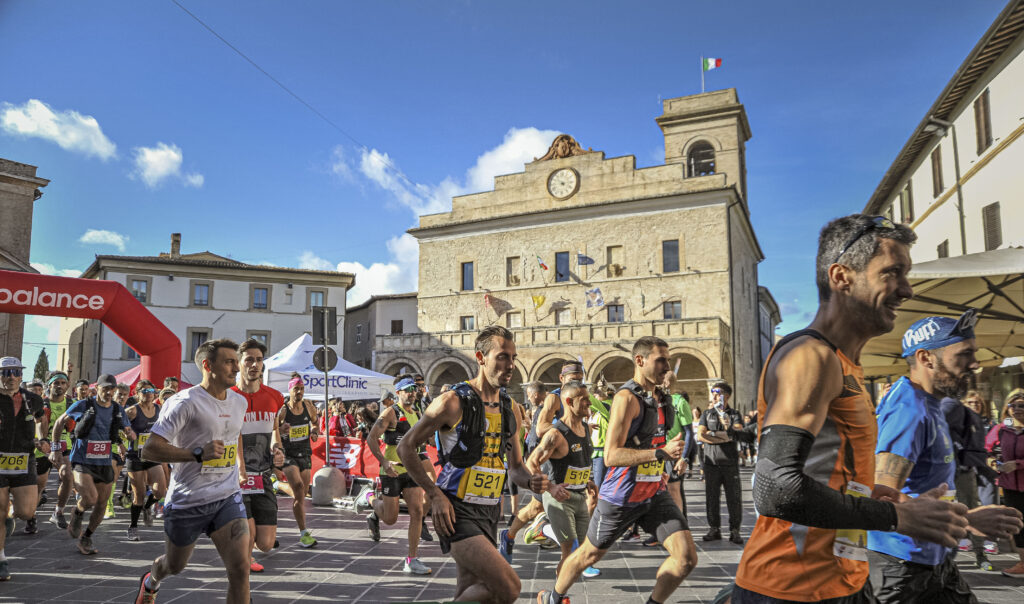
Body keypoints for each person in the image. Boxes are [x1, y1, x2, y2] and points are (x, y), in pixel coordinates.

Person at [734, 214, 973, 603]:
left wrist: (911, 508)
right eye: (892, 273)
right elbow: (775, 488)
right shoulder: (809, 355)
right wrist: (897, 518)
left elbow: (836, 481)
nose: (907, 290)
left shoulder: (846, 364)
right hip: (789, 589)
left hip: (842, 580)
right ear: (842, 277)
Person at [867, 311, 1023, 601]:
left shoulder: (930, 401)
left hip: (932, 557)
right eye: (964, 355)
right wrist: (966, 520)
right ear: (927, 358)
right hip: (901, 566)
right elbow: (880, 495)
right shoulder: (909, 411)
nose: (975, 365)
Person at [539, 336, 695, 604]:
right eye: (660, 360)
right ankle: (553, 597)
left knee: (686, 558)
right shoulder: (626, 398)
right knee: (588, 554)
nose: (666, 367)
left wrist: (661, 465)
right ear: (639, 360)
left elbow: (651, 441)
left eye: (668, 361)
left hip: (654, 492)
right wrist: (661, 453)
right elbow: (611, 455)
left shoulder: (661, 398)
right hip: (621, 497)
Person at [398, 326, 547, 604]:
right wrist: (434, 494)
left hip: (490, 510)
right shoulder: (451, 402)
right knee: (508, 588)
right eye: (502, 356)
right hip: (456, 510)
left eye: (513, 357)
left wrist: (532, 481)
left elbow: (515, 468)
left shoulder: (510, 407)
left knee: (471, 590)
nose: (510, 365)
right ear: (481, 357)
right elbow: (406, 446)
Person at [134, 338, 249, 604]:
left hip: (227, 497)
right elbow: (150, 449)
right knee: (174, 566)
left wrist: (240, 465)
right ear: (208, 366)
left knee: (241, 570)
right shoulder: (184, 402)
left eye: (236, 361)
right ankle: (151, 581)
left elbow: (234, 435)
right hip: (189, 501)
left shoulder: (239, 402)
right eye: (229, 362)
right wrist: (196, 454)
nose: (236, 368)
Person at [50, 372, 136, 555]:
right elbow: (59, 423)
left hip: (104, 461)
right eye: (105, 388)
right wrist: (55, 448)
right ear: (96, 388)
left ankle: (87, 536)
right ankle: (78, 512)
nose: (109, 392)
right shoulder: (84, 404)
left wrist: (129, 436)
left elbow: (124, 428)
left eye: (111, 389)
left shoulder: (116, 409)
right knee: (90, 498)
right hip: (82, 460)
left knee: (102, 503)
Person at [361, 376, 432, 575]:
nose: (412, 393)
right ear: (399, 392)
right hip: (391, 471)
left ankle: (412, 559)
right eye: (407, 390)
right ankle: (369, 498)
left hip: (411, 470)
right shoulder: (390, 413)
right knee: (390, 519)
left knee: (417, 512)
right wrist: (383, 461)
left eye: (414, 389)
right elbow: (371, 438)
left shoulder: (417, 413)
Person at [526, 380, 597, 575]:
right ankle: (556, 597)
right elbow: (532, 462)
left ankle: (545, 529)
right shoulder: (556, 434)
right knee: (570, 553)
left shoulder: (586, 429)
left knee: (582, 554)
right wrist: (550, 488)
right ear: (568, 401)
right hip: (559, 498)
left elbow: (579, 460)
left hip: (579, 496)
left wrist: (587, 481)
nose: (589, 404)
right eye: (584, 400)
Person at [231, 338, 286, 573]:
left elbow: (274, 430)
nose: (255, 365)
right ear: (240, 364)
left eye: (259, 360)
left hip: (263, 475)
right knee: (248, 531)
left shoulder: (274, 397)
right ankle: (243, 556)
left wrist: (278, 449)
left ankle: (242, 545)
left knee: (265, 542)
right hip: (236, 476)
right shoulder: (229, 397)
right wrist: (239, 468)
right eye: (249, 360)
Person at [0, 357, 48, 580]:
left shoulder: (34, 399)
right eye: (5, 372)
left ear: (21, 374)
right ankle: (1, 559)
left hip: (24, 458)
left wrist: (42, 439)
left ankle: (11, 516)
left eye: (15, 372)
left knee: (26, 512)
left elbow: (40, 420)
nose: (10, 377)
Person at [944, 387, 1001, 570]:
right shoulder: (941, 410)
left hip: (964, 472)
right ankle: (948, 557)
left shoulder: (972, 419)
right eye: (970, 402)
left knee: (971, 510)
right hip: (944, 472)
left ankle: (980, 553)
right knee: (948, 512)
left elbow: (977, 449)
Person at [501, 380, 551, 558]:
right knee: (535, 507)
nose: (528, 397)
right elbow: (536, 441)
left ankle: (546, 534)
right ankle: (509, 535)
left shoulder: (545, 408)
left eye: (529, 394)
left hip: (551, 464)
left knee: (550, 506)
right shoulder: (542, 410)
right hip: (544, 464)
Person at [696, 380, 746, 544]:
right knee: (712, 497)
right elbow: (700, 436)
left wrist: (718, 433)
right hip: (711, 463)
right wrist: (723, 437)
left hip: (730, 463)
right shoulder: (706, 414)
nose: (715, 396)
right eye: (714, 393)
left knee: (734, 498)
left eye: (718, 393)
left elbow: (736, 433)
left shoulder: (734, 414)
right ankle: (714, 529)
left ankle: (735, 530)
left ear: (727, 396)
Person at [275, 376, 319, 548]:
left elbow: (316, 424)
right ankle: (303, 532)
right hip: (288, 454)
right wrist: (280, 429)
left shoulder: (309, 407)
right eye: (296, 389)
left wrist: (314, 432)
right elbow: (272, 431)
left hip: (305, 452)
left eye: (301, 388)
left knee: (302, 494)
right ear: (290, 390)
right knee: (299, 487)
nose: (299, 392)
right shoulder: (283, 411)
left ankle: (303, 533)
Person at [124, 380, 167, 541]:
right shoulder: (132, 411)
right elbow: (118, 425)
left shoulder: (158, 409)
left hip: (152, 456)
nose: (148, 393)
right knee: (139, 495)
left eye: (151, 390)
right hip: (135, 457)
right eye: (144, 391)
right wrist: (127, 434)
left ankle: (148, 508)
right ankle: (133, 527)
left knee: (160, 491)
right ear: (137, 393)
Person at [991, 388, 1024, 578]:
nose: (1017, 409)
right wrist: (992, 461)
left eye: (1022, 405)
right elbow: (988, 448)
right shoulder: (1003, 429)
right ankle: (1022, 563)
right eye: (1013, 405)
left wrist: (1017, 465)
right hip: (1010, 485)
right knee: (1018, 524)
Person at [38, 371, 74, 531]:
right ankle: (31, 516)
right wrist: (39, 441)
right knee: (39, 487)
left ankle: (58, 511)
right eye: (56, 383)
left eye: (63, 383)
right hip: (42, 448)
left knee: (67, 477)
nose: (59, 386)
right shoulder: (40, 403)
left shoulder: (71, 404)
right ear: (49, 385)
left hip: (64, 447)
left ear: (67, 385)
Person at [966, 390, 1000, 555]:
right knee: (965, 504)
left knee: (988, 504)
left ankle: (990, 539)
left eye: (977, 402)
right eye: (970, 402)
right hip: (966, 468)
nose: (974, 405)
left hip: (985, 470)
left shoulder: (990, 424)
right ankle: (966, 537)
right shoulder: (960, 422)